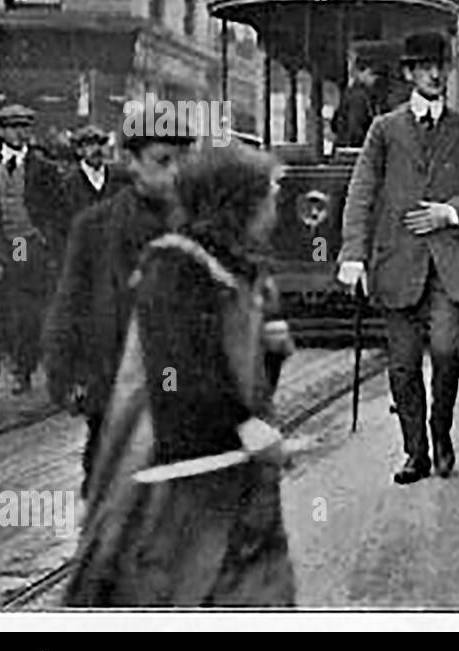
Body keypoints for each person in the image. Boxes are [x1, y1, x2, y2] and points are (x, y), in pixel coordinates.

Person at [66, 143, 296, 607]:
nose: (275, 211)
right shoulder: (174, 266)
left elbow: (250, 380)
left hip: (234, 481)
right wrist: (245, 425)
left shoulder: (244, 270)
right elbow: (177, 366)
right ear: (236, 204)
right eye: (268, 198)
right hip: (178, 479)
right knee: (179, 588)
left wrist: (270, 351)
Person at [337, 32, 459, 484]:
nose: (434, 73)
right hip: (397, 264)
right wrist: (353, 254)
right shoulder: (384, 129)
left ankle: (441, 433)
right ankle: (415, 451)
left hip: (448, 266)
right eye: (424, 66)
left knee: (447, 353)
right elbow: (362, 192)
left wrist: (451, 213)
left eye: (440, 66)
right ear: (409, 73)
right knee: (404, 366)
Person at [45, 111, 195, 501]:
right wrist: (67, 376)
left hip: (185, 399)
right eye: (163, 161)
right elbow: (70, 303)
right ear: (132, 163)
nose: (176, 172)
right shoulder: (94, 228)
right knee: (109, 501)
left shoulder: (205, 229)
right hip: (112, 389)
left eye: (183, 160)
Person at [0, 104, 64, 398]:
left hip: (29, 245)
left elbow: (58, 213)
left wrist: (47, 243)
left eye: (24, 127)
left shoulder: (44, 169)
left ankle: (23, 370)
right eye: (12, 127)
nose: (19, 133)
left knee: (27, 311)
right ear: (1, 132)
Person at [59, 125, 124, 233]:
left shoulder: (119, 177)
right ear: (79, 150)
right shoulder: (68, 181)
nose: (97, 149)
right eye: (90, 144)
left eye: (101, 143)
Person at [331, 56, 382, 148]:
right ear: (362, 72)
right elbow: (355, 126)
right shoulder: (358, 97)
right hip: (352, 149)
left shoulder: (351, 93)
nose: (374, 80)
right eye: (371, 75)